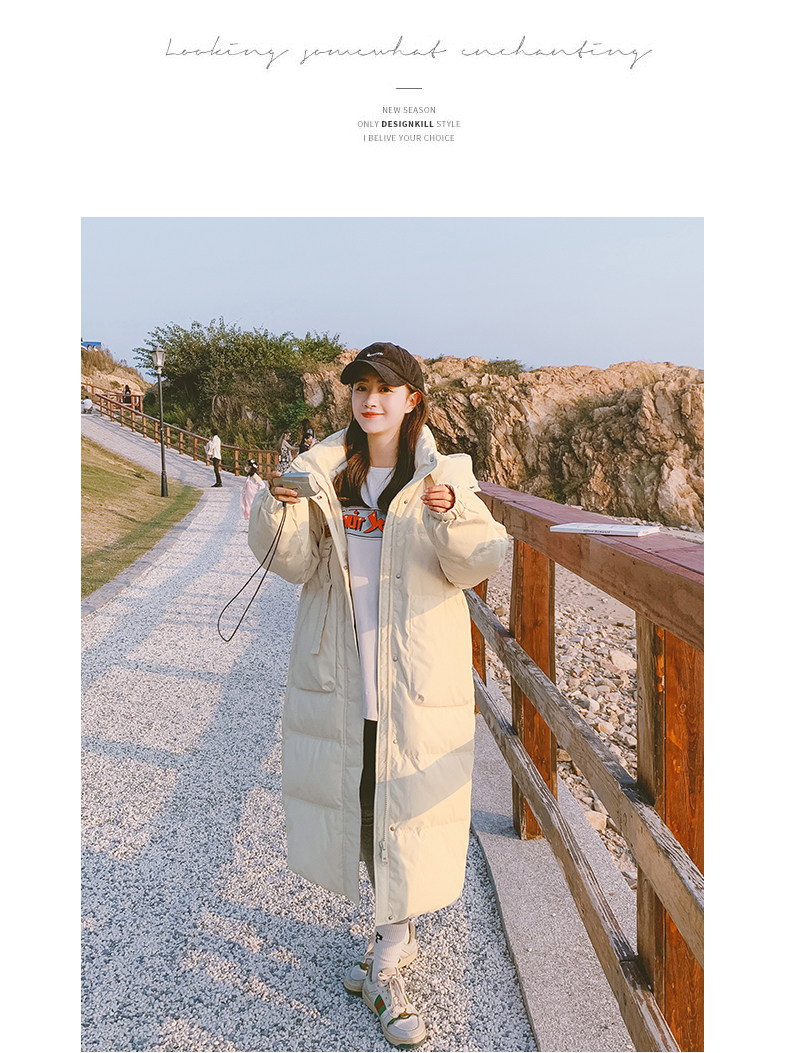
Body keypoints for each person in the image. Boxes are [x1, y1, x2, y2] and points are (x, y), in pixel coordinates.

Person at [248, 342, 508, 1047]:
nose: (371, 400)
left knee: (403, 807)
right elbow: (289, 563)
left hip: (411, 676)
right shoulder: (325, 474)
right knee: (362, 806)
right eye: (361, 387)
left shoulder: (443, 476)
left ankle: (389, 959)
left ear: (411, 398)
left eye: (385, 389)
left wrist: (452, 514)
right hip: (342, 672)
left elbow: (482, 559)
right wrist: (276, 507)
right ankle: (393, 939)